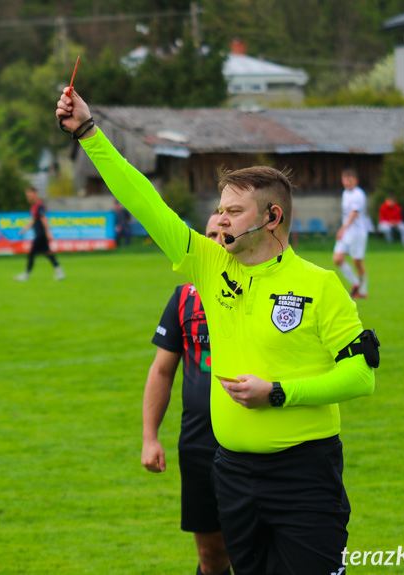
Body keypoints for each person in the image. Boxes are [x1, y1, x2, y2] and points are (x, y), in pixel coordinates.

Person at [57, 89, 376, 575]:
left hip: (304, 475)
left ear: (272, 218)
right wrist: (88, 133)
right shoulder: (208, 266)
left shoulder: (321, 285)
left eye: (233, 211)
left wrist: (278, 393)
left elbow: (360, 378)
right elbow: (143, 198)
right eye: (220, 208)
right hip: (231, 474)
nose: (219, 219)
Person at [142, 210, 230, 575]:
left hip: (254, 446)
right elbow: (162, 370)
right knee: (211, 556)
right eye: (209, 235)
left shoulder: (267, 295)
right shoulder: (184, 298)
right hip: (198, 445)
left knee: (255, 551)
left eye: (225, 235)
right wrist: (150, 437)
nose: (217, 243)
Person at [14, 186, 65, 281]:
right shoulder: (34, 207)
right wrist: (24, 229)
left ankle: (26, 275)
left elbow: (43, 219)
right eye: (27, 196)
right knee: (48, 253)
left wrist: (48, 233)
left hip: (41, 235)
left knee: (31, 254)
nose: (28, 197)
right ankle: (59, 272)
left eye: (29, 195)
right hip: (40, 234)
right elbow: (33, 220)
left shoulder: (39, 206)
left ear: (34, 194)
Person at [332, 169, 369, 299]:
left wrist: (342, 229)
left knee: (357, 262)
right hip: (346, 232)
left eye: (350, 178)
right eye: (345, 178)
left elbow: (354, 213)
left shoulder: (358, 194)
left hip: (357, 233)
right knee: (337, 259)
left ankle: (364, 290)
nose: (347, 181)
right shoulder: (345, 193)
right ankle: (356, 283)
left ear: (355, 180)